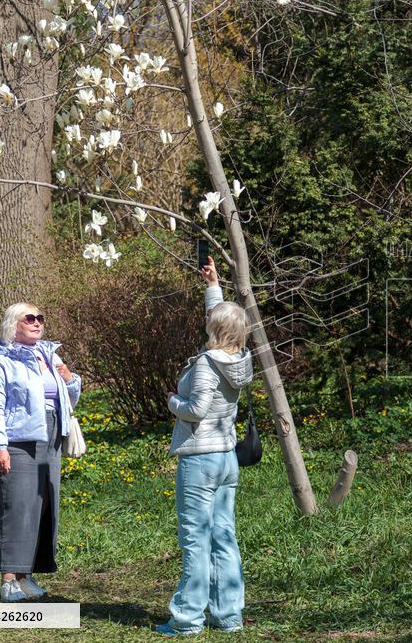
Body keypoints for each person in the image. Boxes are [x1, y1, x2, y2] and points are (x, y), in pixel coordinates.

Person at [157, 257, 254, 636]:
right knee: (223, 536)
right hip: (226, 458)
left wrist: (171, 403)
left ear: (214, 330)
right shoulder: (238, 358)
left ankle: (187, 618)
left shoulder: (205, 363)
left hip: (200, 459)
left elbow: (195, 410)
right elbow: (221, 317)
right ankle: (229, 615)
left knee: (195, 539)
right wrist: (213, 284)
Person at [0, 303, 81, 602]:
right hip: (19, 440)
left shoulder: (49, 356)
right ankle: (9, 580)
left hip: (51, 436)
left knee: (42, 508)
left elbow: (69, 396)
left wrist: (70, 379)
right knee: (17, 507)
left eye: (41, 318)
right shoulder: (1, 363)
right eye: (30, 319)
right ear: (14, 325)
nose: (38, 323)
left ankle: (26, 576)